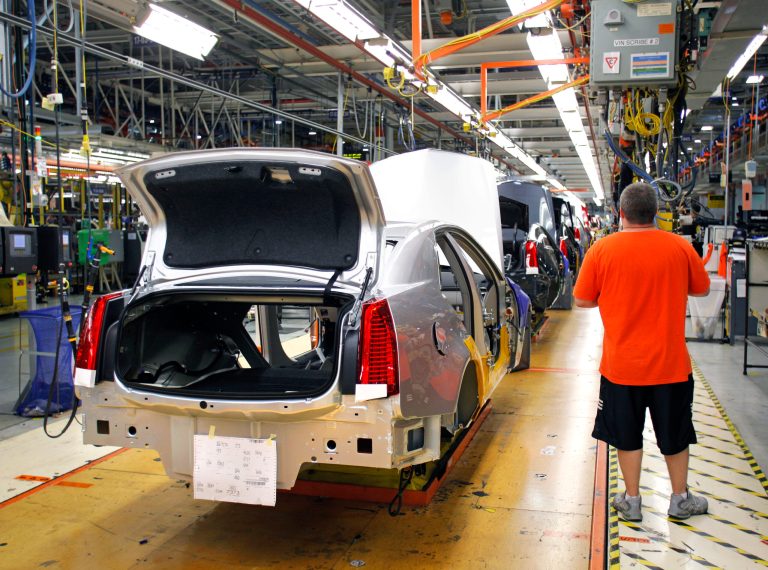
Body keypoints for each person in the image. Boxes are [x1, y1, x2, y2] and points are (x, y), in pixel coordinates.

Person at [573, 182, 711, 522]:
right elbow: (703, 289)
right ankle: (679, 499)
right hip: (671, 367)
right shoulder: (679, 247)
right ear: (656, 214)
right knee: (675, 434)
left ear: (621, 214)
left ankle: (632, 500)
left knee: (626, 434)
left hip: (622, 368)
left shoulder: (602, 251)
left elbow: (582, 299)